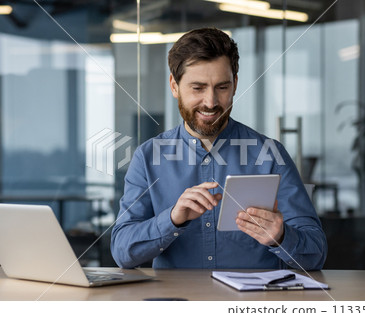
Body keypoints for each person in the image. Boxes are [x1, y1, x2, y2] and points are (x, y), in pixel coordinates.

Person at [111, 27, 327, 270]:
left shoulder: (270, 154)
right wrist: (172, 219)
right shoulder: (147, 158)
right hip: (177, 305)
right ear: (174, 86)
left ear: (235, 84)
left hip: (248, 307)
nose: (211, 102)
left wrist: (281, 237)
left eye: (222, 87)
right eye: (198, 88)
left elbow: (316, 253)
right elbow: (122, 252)